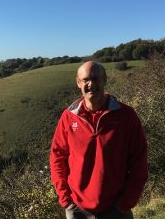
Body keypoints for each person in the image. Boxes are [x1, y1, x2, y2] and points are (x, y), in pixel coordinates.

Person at [49, 61, 148, 219]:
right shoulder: (68, 117)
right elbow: (57, 157)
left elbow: (139, 160)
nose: (91, 84)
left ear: (105, 80)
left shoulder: (126, 115)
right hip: (77, 209)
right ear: (78, 83)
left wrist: (126, 202)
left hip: (116, 209)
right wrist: (65, 199)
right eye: (86, 79)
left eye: (96, 78)